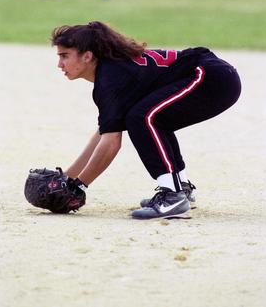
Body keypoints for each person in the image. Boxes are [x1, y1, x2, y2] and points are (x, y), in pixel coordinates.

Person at [51, 21, 241, 220]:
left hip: (210, 77)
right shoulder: (110, 73)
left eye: (65, 56)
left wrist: (78, 186)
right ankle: (179, 188)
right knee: (152, 118)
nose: (60, 64)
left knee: (143, 117)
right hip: (216, 77)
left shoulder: (110, 78)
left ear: (87, 56)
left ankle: (173, 196)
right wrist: (67, 178)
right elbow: (104, 133)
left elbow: (111, 143)